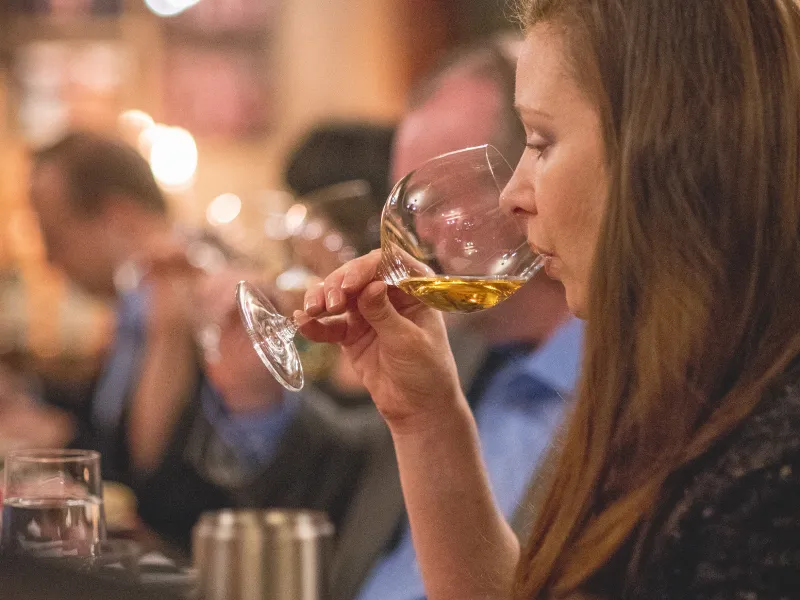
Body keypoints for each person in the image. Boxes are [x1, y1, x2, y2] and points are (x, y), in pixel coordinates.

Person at [297, 0, 800, 599]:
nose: (512, 194)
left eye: (540, 142)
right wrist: (426, 418)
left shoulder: (771, 463)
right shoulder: (670, 384)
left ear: (664, 144)